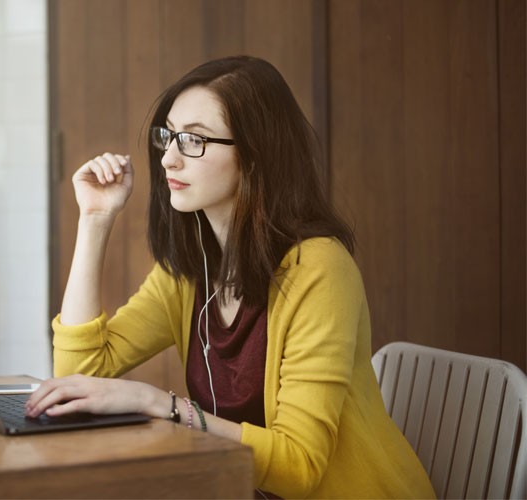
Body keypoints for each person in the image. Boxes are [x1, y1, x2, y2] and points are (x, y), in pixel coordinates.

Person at [25, 56, 435, 498]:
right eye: (169, 136)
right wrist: (94, 219)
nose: (169, 159)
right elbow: (77, 375)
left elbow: (300, 468)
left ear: (256, 157)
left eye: (195, 141)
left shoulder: (319, 268)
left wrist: (157, 404)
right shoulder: (190, 268)